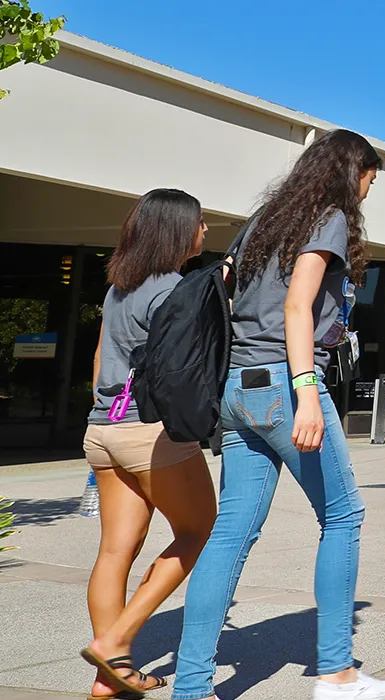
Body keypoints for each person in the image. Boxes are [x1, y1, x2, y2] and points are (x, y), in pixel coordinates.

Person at [173, 129, 385, 700]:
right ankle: (337, 673)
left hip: (237, 388)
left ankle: (191, 686)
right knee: (343, 517)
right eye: (370, 179)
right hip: (284, 384)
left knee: (230, 534)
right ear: (351, 172)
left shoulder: (262, 221)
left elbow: (227, 296)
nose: (369, 190)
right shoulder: (327, 217)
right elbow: (298, 305)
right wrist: (306, 393)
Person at [78, 189, 217, 700]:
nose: (205, 230)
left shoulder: (119, 288)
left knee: (115, 550)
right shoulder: (176, 290)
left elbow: (100, 358)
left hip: (102, 430)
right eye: (200, 222)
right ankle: (114, 643)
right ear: (178, 230)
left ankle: (109, 678)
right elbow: (181, 371)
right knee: (199, 530)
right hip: (149, 432)